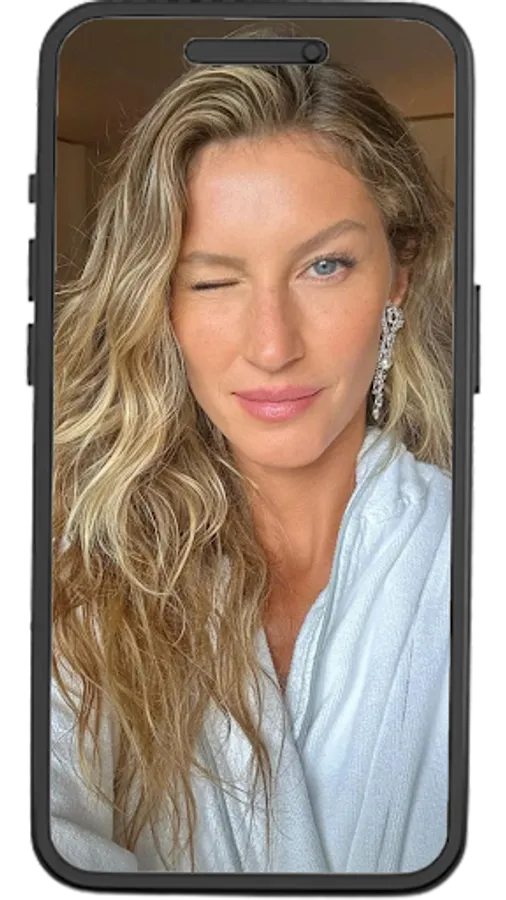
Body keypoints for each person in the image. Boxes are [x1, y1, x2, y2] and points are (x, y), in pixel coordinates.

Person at [50, 27, 454, 875]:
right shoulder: (87, 577)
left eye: (325, 266)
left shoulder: (454, 556)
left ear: (399, 274)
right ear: (160, 306)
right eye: (213, 280)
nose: (273, 347)